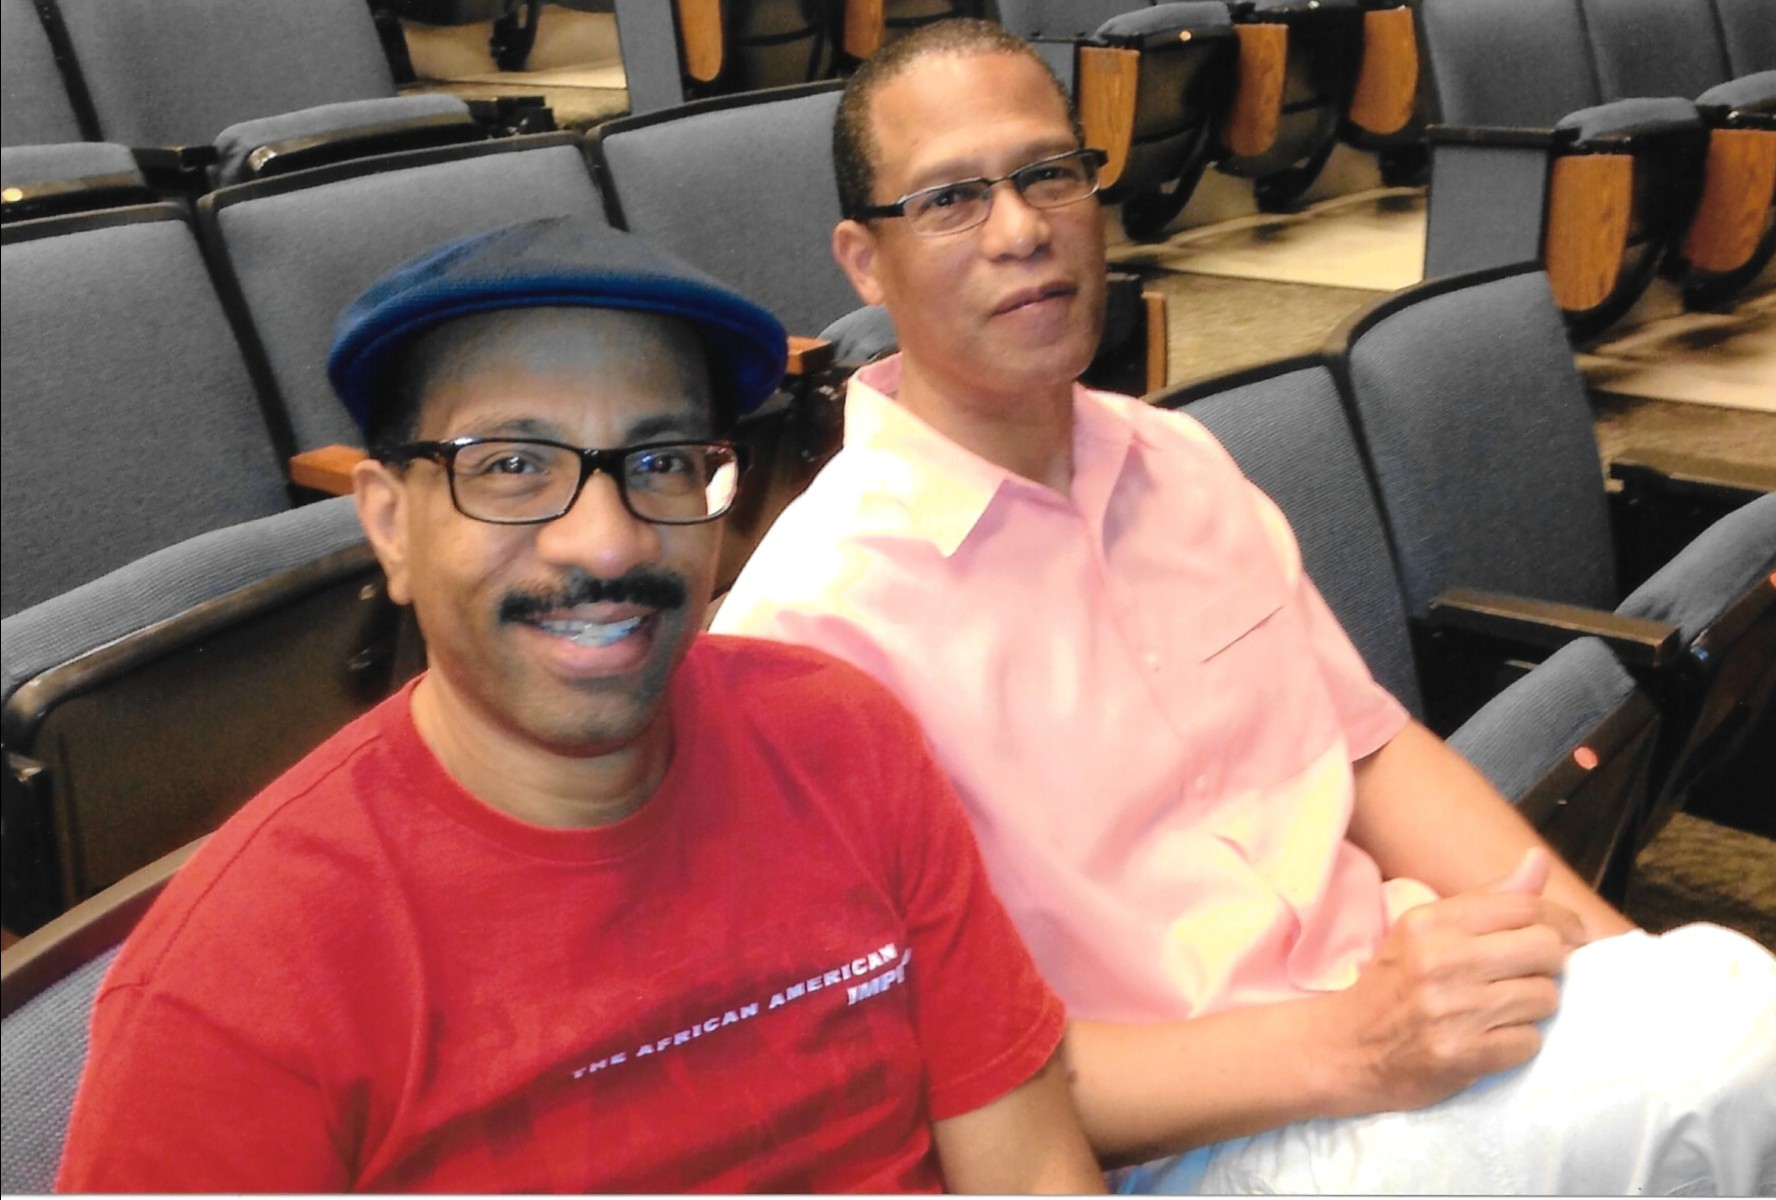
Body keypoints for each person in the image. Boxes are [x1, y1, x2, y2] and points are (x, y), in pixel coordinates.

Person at [712, 19, 1776, 1195]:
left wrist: (1625, 968)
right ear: (865, 261)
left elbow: (1373, 757)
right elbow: (926, 1076)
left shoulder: (1183, 462)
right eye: (953, 198)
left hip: (1403, 1011)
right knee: (1736, 1058)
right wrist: (1355, 1049)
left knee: (1721, 1005)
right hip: (1199, 1139)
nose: (1023, 230)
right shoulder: (808, 633)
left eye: (1050, 173)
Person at [54, 216, 1105, 1194]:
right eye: (510, 465)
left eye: (659, 463)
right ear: (390, 527)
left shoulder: (846, 741)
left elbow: (1031, 1169)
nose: (605, 542)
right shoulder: (239, 988)